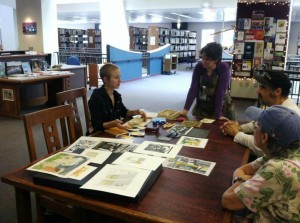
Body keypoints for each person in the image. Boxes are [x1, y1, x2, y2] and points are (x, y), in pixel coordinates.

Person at [222, 105, 300, 223]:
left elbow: (227, 201)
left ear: (264, 137)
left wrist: (242, 181)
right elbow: (242, 171)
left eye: (257, 125)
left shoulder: (279, 169)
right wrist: (245, 179)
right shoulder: (283, 152)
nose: (254, 128)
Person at [220, 70, 300, 156]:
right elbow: (261, 123)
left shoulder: (287, 117)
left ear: (277, 92)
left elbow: (266, 148)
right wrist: (239, 128)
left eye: (263, 87)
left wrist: (236, 133)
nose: (258, 91)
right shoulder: (279, 107)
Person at [88, 63, 147, 134]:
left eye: (120, 77)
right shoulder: (97, 97)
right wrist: (112, 124)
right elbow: (96, 125)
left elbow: (124, 112)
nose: (120, 80)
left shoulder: (116, 95)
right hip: (99, 133)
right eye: (116, 78)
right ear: (106, 79)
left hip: (113, 131)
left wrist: (137, 111)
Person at [180, 42, 231, 120]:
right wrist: (185, 109)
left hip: (220, 105)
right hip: (202, 104)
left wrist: (218, 115)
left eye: (207, 59)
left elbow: (220, 92)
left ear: (216, 59)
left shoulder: (223, 68)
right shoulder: (199, 67)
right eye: (202, 58)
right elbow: (193, 88)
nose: (203, 61)